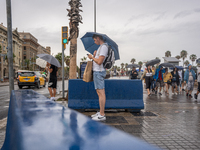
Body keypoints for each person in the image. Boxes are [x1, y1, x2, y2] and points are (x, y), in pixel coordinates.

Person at [88, 34, 108, 121]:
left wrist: (92, 57)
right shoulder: (101, 47)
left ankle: (102, 114)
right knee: (99, 92)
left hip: (99, 73)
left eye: (95, 40)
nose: (94, 41)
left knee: (101, 93)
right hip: (97, 72)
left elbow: (99, 62)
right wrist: (95, 55)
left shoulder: (103, 47)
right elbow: (98, 60)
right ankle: (100, 112)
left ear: (98, 38)